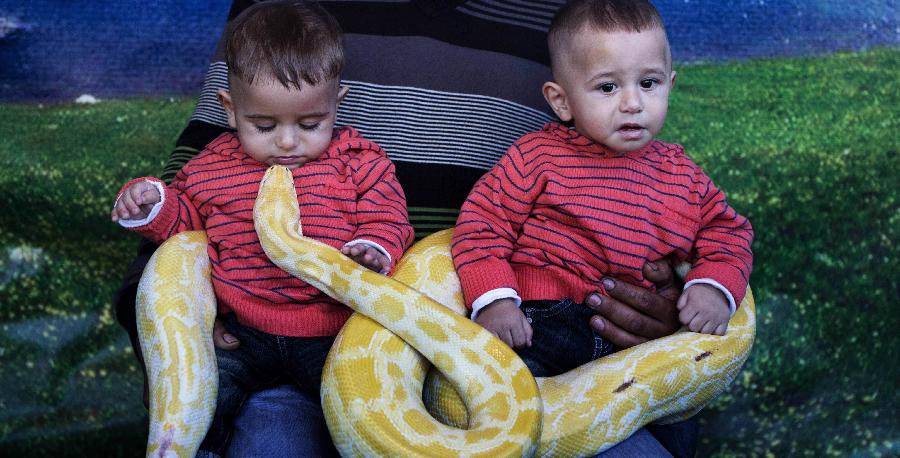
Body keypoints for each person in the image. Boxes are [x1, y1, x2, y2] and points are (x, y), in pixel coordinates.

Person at [112, 0, 705, 456]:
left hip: (527, 339)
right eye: (270, 125)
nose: (286, 142)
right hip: (296, 349)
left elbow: (653, 196)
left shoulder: (588, 19)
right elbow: (195, 196)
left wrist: (678, 298)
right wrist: (177, 326)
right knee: (271, 438)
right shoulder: (273, 16)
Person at [110, 2, 413, 455]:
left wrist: (374, 249)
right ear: (230, 110)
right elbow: (188, 228)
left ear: (337, 103)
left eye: (311, 124)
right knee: (207, 404)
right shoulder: (211, 167)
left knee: (352, 416)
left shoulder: (360, 163)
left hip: (331, 333)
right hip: (242, 332)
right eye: (264, 125)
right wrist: (153, 203)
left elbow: (389, 219)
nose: (288, 142)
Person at [451, 0, 753, 379]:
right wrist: (494, 300)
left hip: (635, 348)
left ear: (669, 85)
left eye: (649, 83)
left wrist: (713, 286)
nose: (633, 103)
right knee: (501, 386)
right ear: (561, 101)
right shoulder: (535, 157)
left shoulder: (684, 176)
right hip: (539, 321)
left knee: (679, 419)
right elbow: (482, 225)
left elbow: (729, 232)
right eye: (608, 87)